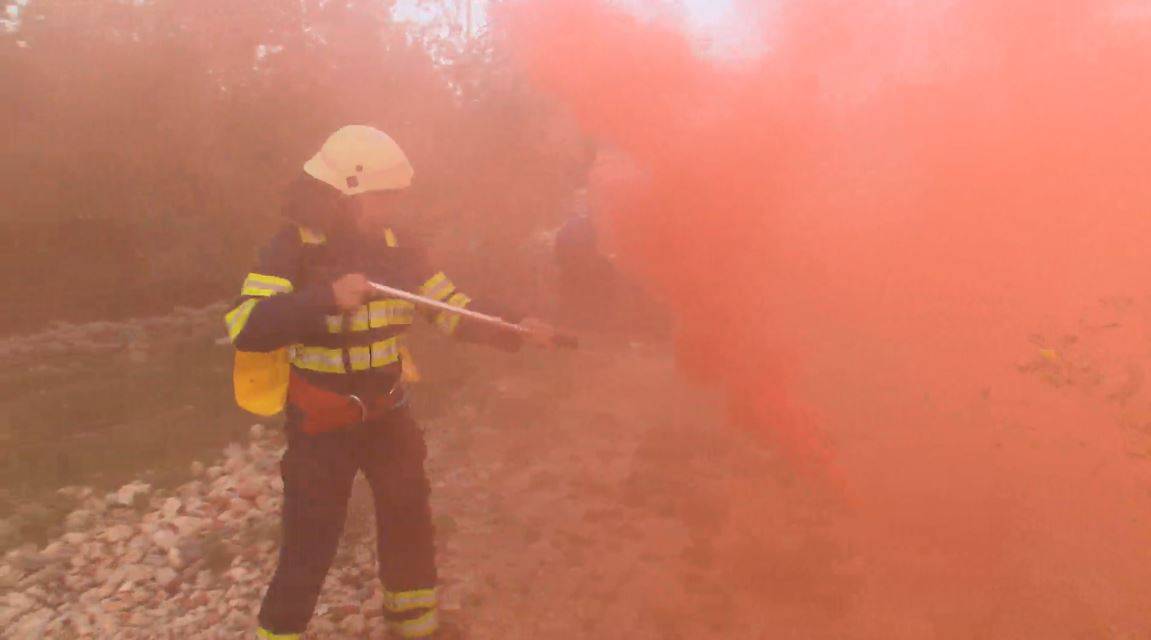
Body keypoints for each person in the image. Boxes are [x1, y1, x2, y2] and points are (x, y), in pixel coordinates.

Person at [223, 125, 556, 640]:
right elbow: (248, 326)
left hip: (390, 415)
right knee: (311, 541)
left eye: (395, 197)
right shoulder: (292, 248)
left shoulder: (400, 246)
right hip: (321, 425)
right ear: (345, 195)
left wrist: (516, 325)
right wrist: (326, 298)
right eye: (383, 198)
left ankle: (415, 627)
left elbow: (451, 310)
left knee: (409, 519)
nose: (392, 208)